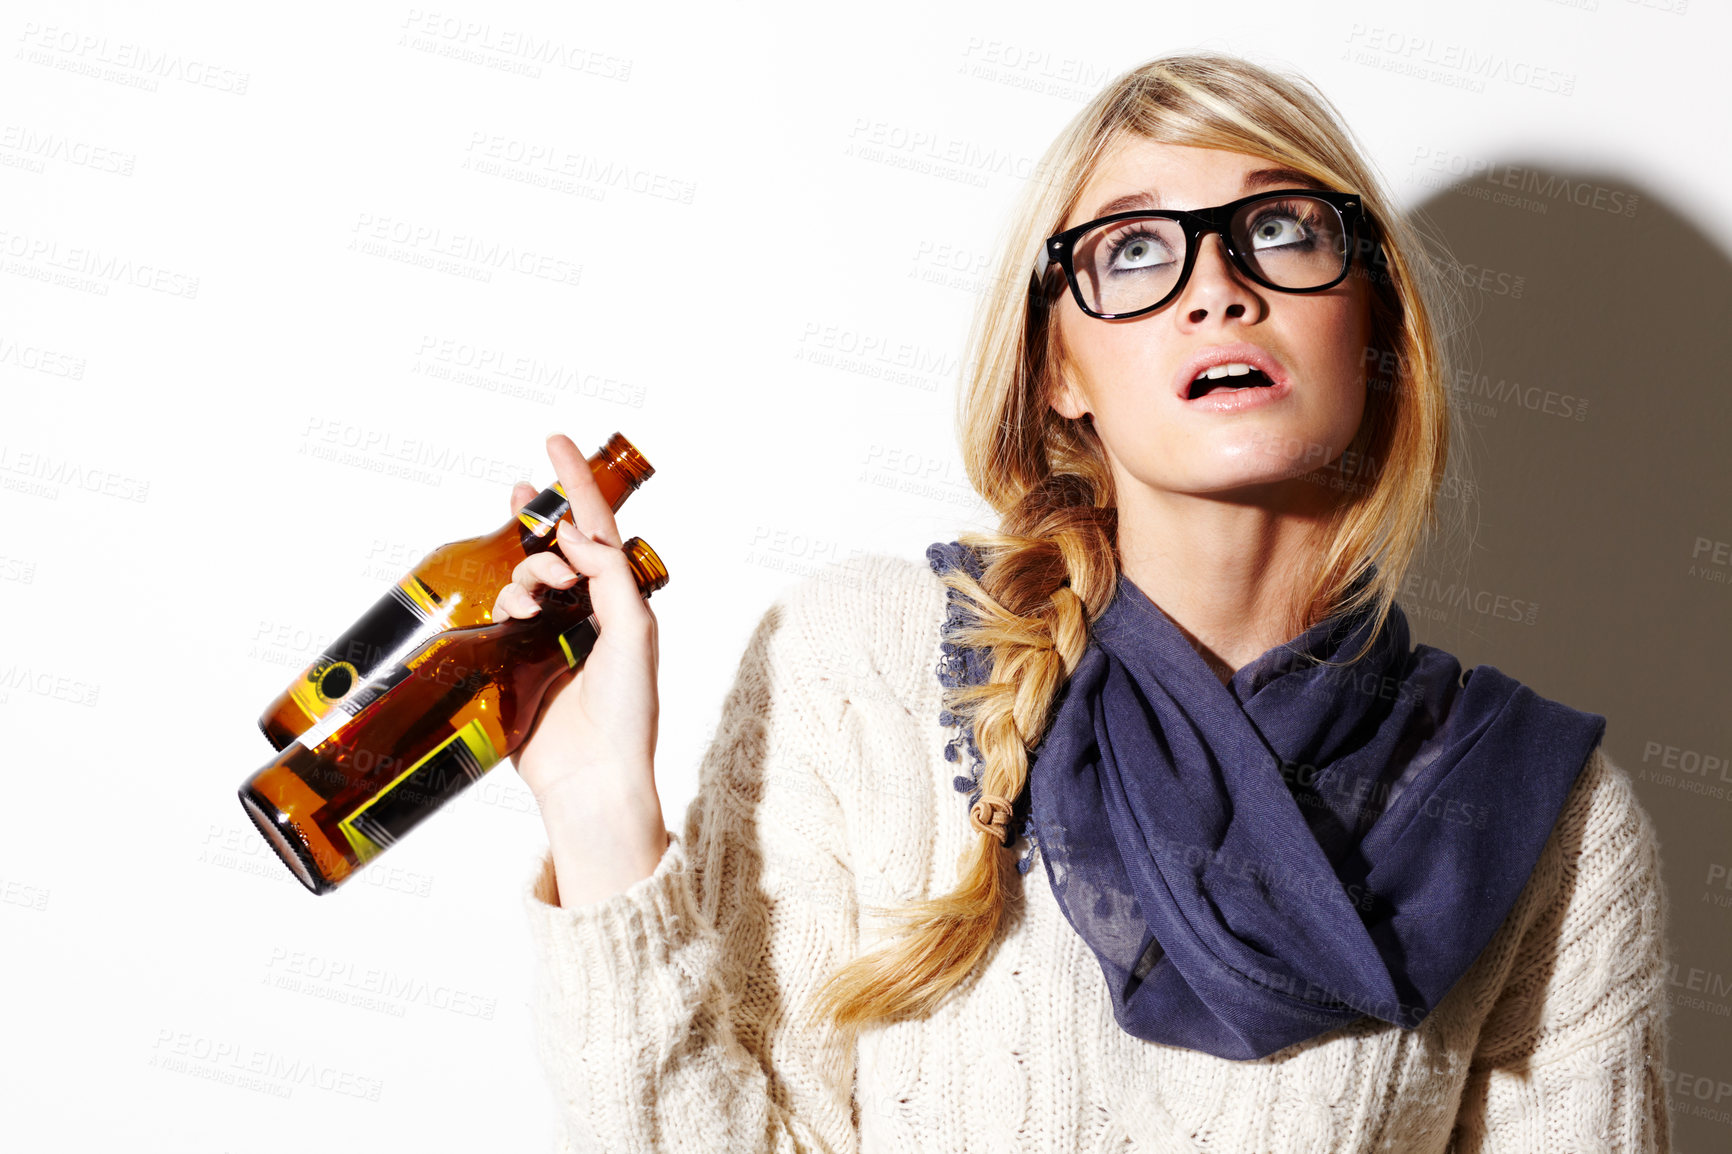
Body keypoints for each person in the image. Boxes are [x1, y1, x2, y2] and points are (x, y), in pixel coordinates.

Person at [493, 52, 1673, 1153]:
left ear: (1372, 328)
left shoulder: (1540, 816)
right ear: (1058, 367)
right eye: (1136, 251)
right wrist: (600, 817)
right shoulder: (862, 664)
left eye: (1278, 229)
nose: (1218, 288)